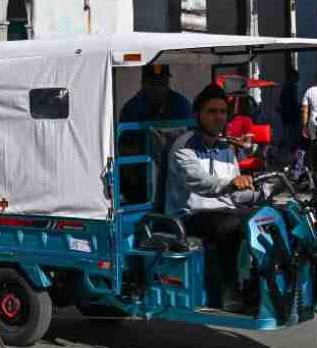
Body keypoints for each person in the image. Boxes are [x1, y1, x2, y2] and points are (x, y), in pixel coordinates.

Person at [165, 85, 260, 313]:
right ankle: (226, 292)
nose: (218, 117)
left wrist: (262, 193)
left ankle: (256, 286)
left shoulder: (226, 147)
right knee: (230, 225)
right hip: (189, 216)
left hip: (223, 210)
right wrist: (230, 184)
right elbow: (200, 182)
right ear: (198, 114)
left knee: (266, 217)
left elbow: (236, 193)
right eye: (211, 111)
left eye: (222, 112)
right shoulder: (184, 146)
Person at [120, 64, 193, 122]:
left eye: (162, 83)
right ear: (143, 84)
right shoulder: (130, 110)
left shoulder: (181, 105)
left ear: (168, 83)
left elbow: (191, 135)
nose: (157, 89)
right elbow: (123, 139)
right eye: (152, 83)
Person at [278, 68, 300, 151]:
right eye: (297, 76)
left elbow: (282, 101)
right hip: (291, 115)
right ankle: (291, 152)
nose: (298, 78)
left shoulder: (285, 87)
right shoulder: (292, 87)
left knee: (287, 135)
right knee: (292, 137)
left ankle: (284, 146)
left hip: (286, 115)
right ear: (292, 77)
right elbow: (294, 101)